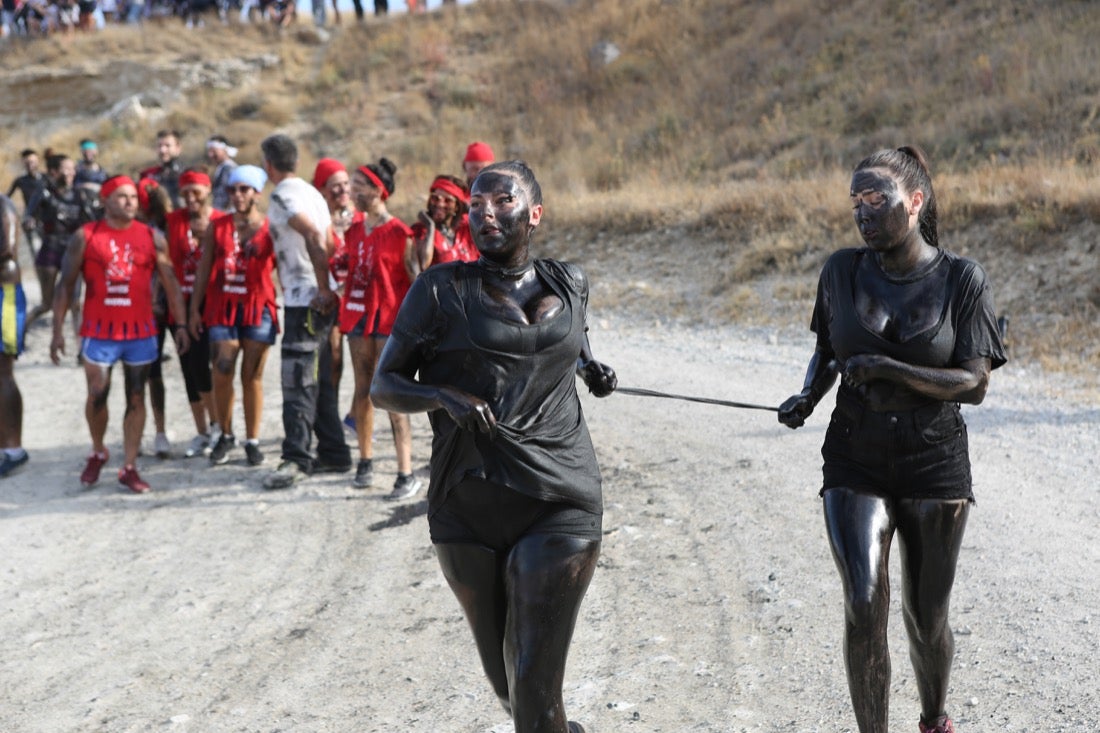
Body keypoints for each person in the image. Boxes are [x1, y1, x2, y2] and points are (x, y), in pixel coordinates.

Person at [371, 160, 617, 733]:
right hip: (468, 505)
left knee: (532, 685)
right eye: (476, 204)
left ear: (535, 213)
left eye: (502, 201)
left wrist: (590, 367)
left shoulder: (570, 281)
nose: (486, 213)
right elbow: (385, 386)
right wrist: (442, 395)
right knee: (508, 686)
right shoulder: (439, 290)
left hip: (560, 495)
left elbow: (574, 338)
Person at [777, 146, 1007, 733]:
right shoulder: (840, 271)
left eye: (876, 197)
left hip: (935, 460)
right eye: (856, 200)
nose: (863, 211)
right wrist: (807, 395)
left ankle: (933, 718)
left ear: (915, 200)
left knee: (927, 619)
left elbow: (975, 384)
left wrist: (888, 369)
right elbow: (828, 351)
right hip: (855, 456)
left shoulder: (962, 279)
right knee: (862, 601)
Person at [50, 175, 191, 493]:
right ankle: (98, 450)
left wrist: (181, 324)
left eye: (133, 197)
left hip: (140, 331)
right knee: (97, 393)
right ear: (105, 201)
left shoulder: (152, 237)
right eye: (122, 196)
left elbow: (170, 283)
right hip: (99, 331)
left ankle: (129, 466)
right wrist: (57, 331)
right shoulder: (86, 236)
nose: (130, 202)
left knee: (136, 395)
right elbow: (65, 286)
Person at [259, 133, 350, 489]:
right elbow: (329, 240)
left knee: (297, 380)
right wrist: (328, 287)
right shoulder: (312, 193)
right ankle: (334, 452)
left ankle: (296, 458)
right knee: (322, 377)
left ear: (268, 164)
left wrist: (322, 287)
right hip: (320, 297)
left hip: (305, 300)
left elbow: (313, 236)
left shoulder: (282, 195)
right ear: (295, 161)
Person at [189, 165, 277, 467]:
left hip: (258, 306)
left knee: (252, 375)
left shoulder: (271, 227)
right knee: (222, 368)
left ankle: (252, 440)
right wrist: (194, 310)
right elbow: (203, 269)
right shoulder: (218, 226)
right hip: (222, 306)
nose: (237, 195)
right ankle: (226, 434)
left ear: (256, 193)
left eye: (244, 189)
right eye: (232, 189)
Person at [339, 159, 418, 495]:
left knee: (391, 393)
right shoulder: (353, 229)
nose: (351, 191)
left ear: (377, 190)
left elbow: (415, 281)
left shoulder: (401, 233)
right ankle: (365, 460)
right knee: (363, 390)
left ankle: (405, 471)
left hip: (389, 321)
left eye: (358, 186)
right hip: (357, 317)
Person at [164, 169, 220, 457]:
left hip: (213, 304)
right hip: (180, 304)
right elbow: (166, 263)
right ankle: (201, 431)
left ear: (207, 190)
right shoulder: (174, 221)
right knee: (189, 367)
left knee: (209, 366)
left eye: (195, 191)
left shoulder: (220, 220)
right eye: (184, 192)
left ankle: (219, 424)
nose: (190, 198)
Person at [312, 157, 360, 435]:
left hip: (358, 297)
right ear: (321, 189)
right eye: (335, 186)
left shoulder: (359, 216)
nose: (343, 190)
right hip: (331, 298)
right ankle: (328, 418)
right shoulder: (318, 221)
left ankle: (355, 415)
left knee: (366, 363)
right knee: (333, 359)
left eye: (346, 184)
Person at [25, 153, 97, 328]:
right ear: (54, 172)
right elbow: (29, 215)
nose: (71, 172)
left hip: (72, 252)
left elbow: (92, 220)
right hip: (50, 250)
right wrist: (30, 222)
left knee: (75, 302)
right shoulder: (44, 193)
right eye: (66, 169)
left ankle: (79, 343)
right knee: (46, 304)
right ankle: (22, 330)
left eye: (73, 169)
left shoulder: (80, 195)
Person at [135, 178, 174, 458]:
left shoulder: (166, 228)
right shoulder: (131, 228)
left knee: (150, 373)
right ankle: (152, 432)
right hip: (146, 307)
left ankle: (159, 432)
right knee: (150, 372)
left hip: (161, 306)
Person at [0, 195, 29, 478]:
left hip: (4, 294)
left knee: (3, 370)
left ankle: (13, 450)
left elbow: (7, 249)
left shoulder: (2, 204)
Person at [409, 173, 475, 275]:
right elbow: (423, 264)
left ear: (457, 207)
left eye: (448, 201)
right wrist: (430, 227)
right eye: (435, 198)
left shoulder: (466, 229)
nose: (440, 204)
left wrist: (470, 209)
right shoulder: (420, 230)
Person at [7, 149, 46, 261]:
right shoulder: (20, 180)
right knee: (37, 252)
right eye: (27, 162)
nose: (30, 165)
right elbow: (7, 197)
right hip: (30, 219)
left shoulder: (45, 178)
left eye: (32, 161)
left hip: (46, 218)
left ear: (38, 161)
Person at [140, 129, 185, 207]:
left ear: (178, 148)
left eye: (167, 146)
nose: (162, 150)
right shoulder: (148, 175)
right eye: (159, 146)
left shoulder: (185, 174)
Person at [206, 135, 239, 212]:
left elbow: (225, 195)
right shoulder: (221, 168)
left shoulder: (228, 168)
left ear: (225, 150)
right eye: (210, 151)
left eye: (214, 151)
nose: (211, 155)